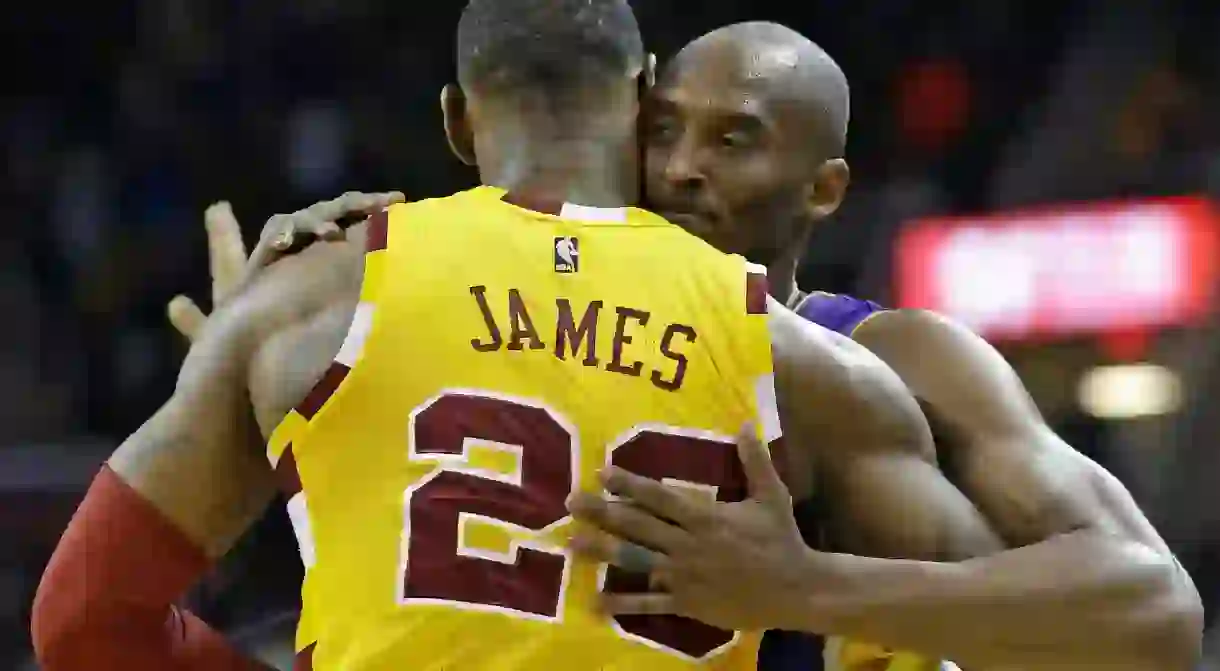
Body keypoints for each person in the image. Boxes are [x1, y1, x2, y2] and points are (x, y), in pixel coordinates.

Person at [31, 3, 1009, 671]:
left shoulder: (312, 295)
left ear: (457, 121)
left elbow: (79, 619)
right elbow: (1022, 621)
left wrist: (241, 365)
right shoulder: (798, 355)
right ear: (646, 95)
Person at [568, 21, 1203, 671]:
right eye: (663, 132)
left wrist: (806, 586)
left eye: (732, 141)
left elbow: (1157, 610)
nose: (679, 170)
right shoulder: (539, 323)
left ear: (824, 190)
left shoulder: (899, 355)